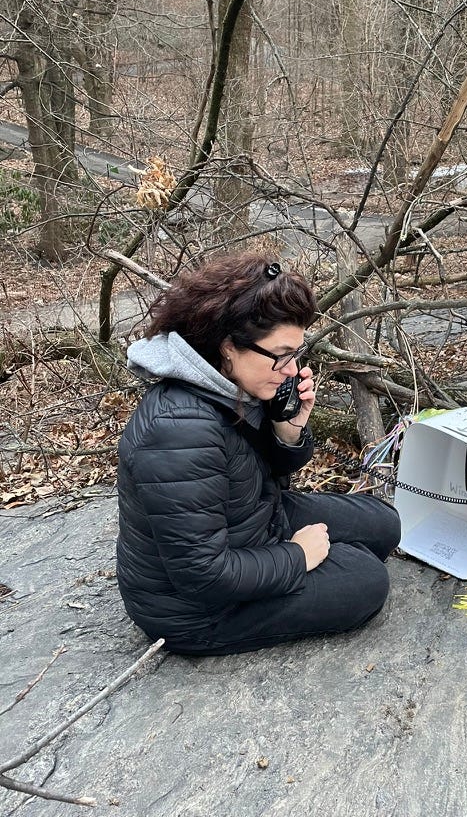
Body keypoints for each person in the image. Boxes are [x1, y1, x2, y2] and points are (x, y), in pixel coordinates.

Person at [116, 252, 401, 655]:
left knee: (385, 523)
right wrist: (298, 557)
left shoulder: (228, 384)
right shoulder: (178, 429)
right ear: (229, 346)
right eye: (281, 355)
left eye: (296, 354)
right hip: (197, 609)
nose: (291, 369)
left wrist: (288, 429)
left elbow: (259, 477)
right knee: (367, 579)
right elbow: (203, 575)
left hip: (252, 524)